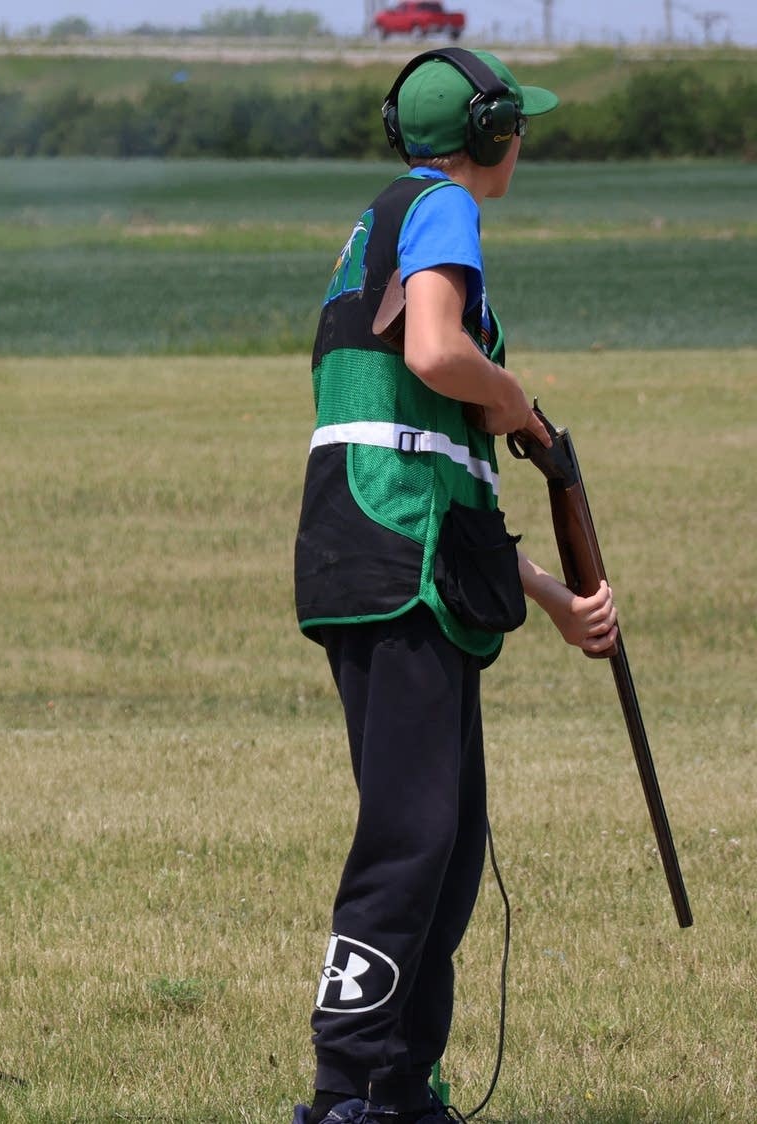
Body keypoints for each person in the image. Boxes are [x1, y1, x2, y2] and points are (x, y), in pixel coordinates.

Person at [289, 49, 616, 1124]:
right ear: (487, 135)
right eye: (514, 127)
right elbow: (436, 352)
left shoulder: (380, 227)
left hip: (389, 550)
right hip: (394, 560)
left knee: (446, 839)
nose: (519, 143)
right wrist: (513, 397)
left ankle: (401, 1085)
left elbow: (433, 471)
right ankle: (348, 1087)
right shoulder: (441, 209)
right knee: (412, 835)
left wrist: (553, 597)